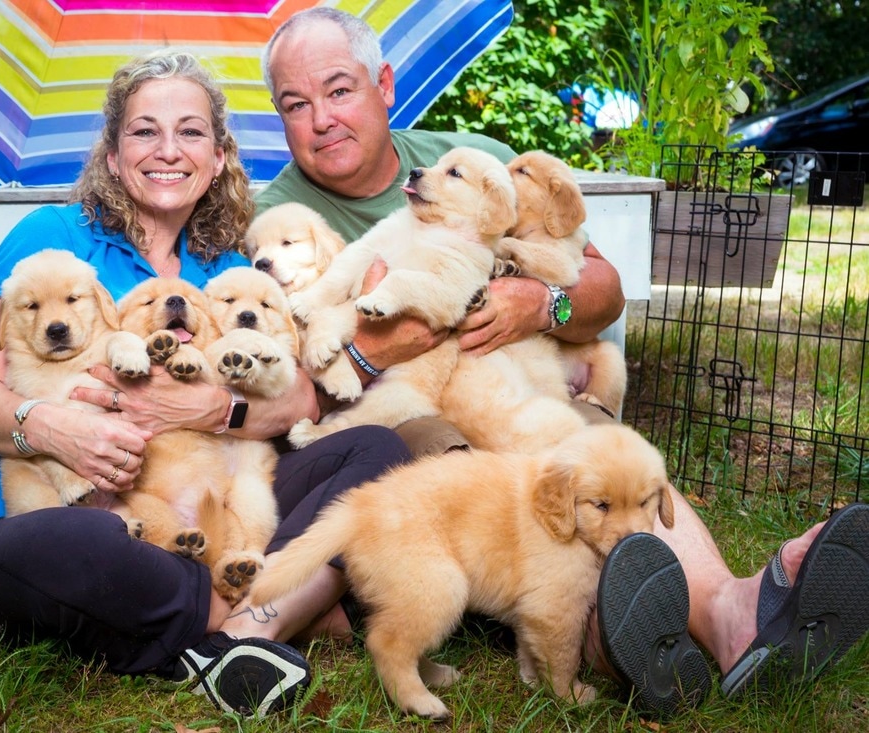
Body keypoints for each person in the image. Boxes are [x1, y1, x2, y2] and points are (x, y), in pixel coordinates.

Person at [253, 6, 869, 717]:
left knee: (604, 459)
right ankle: (626, 643)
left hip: (525, 384)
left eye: (339, 89)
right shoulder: (281, 220)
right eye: (295, 105)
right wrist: (379, 346)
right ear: (279, 117)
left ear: (384, 84)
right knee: (504, 489)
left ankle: (729, 612)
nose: (321, 118)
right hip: (415, 412)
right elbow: (285, 380)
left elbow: (599, 289)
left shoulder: (476, 159)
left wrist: (540, 305)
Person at [0, 49, 415, 719]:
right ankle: (281, 611)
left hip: (207, 512)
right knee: (90, 539)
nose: (168, 149)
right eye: (143, 130)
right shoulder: (50, 237)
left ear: (218, 156)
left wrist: (215, 406)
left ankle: (246, 631)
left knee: (376, 452)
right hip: (46, 524)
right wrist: (51, 426)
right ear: (111, 153)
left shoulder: (226, 268)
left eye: (190, 131)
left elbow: (302, 398)